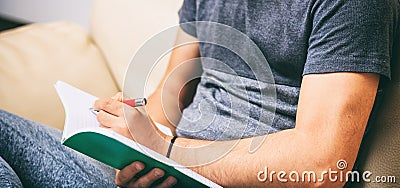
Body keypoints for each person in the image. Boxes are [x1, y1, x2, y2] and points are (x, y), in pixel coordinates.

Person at [1, 0, 399, 187]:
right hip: (164, 168)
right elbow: (167, 97)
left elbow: (321, 165)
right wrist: (128, 129)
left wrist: (169, 152)